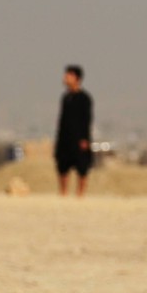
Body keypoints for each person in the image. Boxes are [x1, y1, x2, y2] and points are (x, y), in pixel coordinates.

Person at [54, 65, 93, 196]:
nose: (65, 79)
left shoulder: (84, 98)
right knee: (63, 167)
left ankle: (80, 194)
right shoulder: (65, 98)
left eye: (68, 76)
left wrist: (84, 139)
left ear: (77, 78)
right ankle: (63, 193)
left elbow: (87, 120)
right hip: (64, 138)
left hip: (79, 139)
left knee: (82, 167)